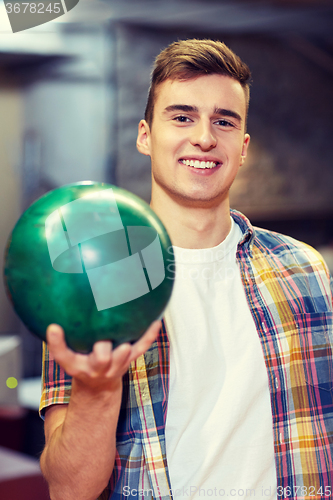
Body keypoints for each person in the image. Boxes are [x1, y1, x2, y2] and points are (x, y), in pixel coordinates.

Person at [39, 39, 333, 500]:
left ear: (243, 147)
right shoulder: (88, 283)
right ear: (144, 135)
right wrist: (97, 389)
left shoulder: (304, 270)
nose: (204, 137)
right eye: (182, 117)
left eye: (224, 121)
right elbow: (68, 489)